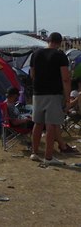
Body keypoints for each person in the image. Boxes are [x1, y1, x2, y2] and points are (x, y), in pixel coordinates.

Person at [29, 32, 72, 165]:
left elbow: (32, 74)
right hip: (53, 94)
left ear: (48, 40)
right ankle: (48, 157)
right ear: (60, 42)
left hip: (38, 93)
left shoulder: (35, 54)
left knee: (38, 123)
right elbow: (65, 78)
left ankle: (34, 153)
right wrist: (67, 98)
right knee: (51, 125)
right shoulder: (60, 56)